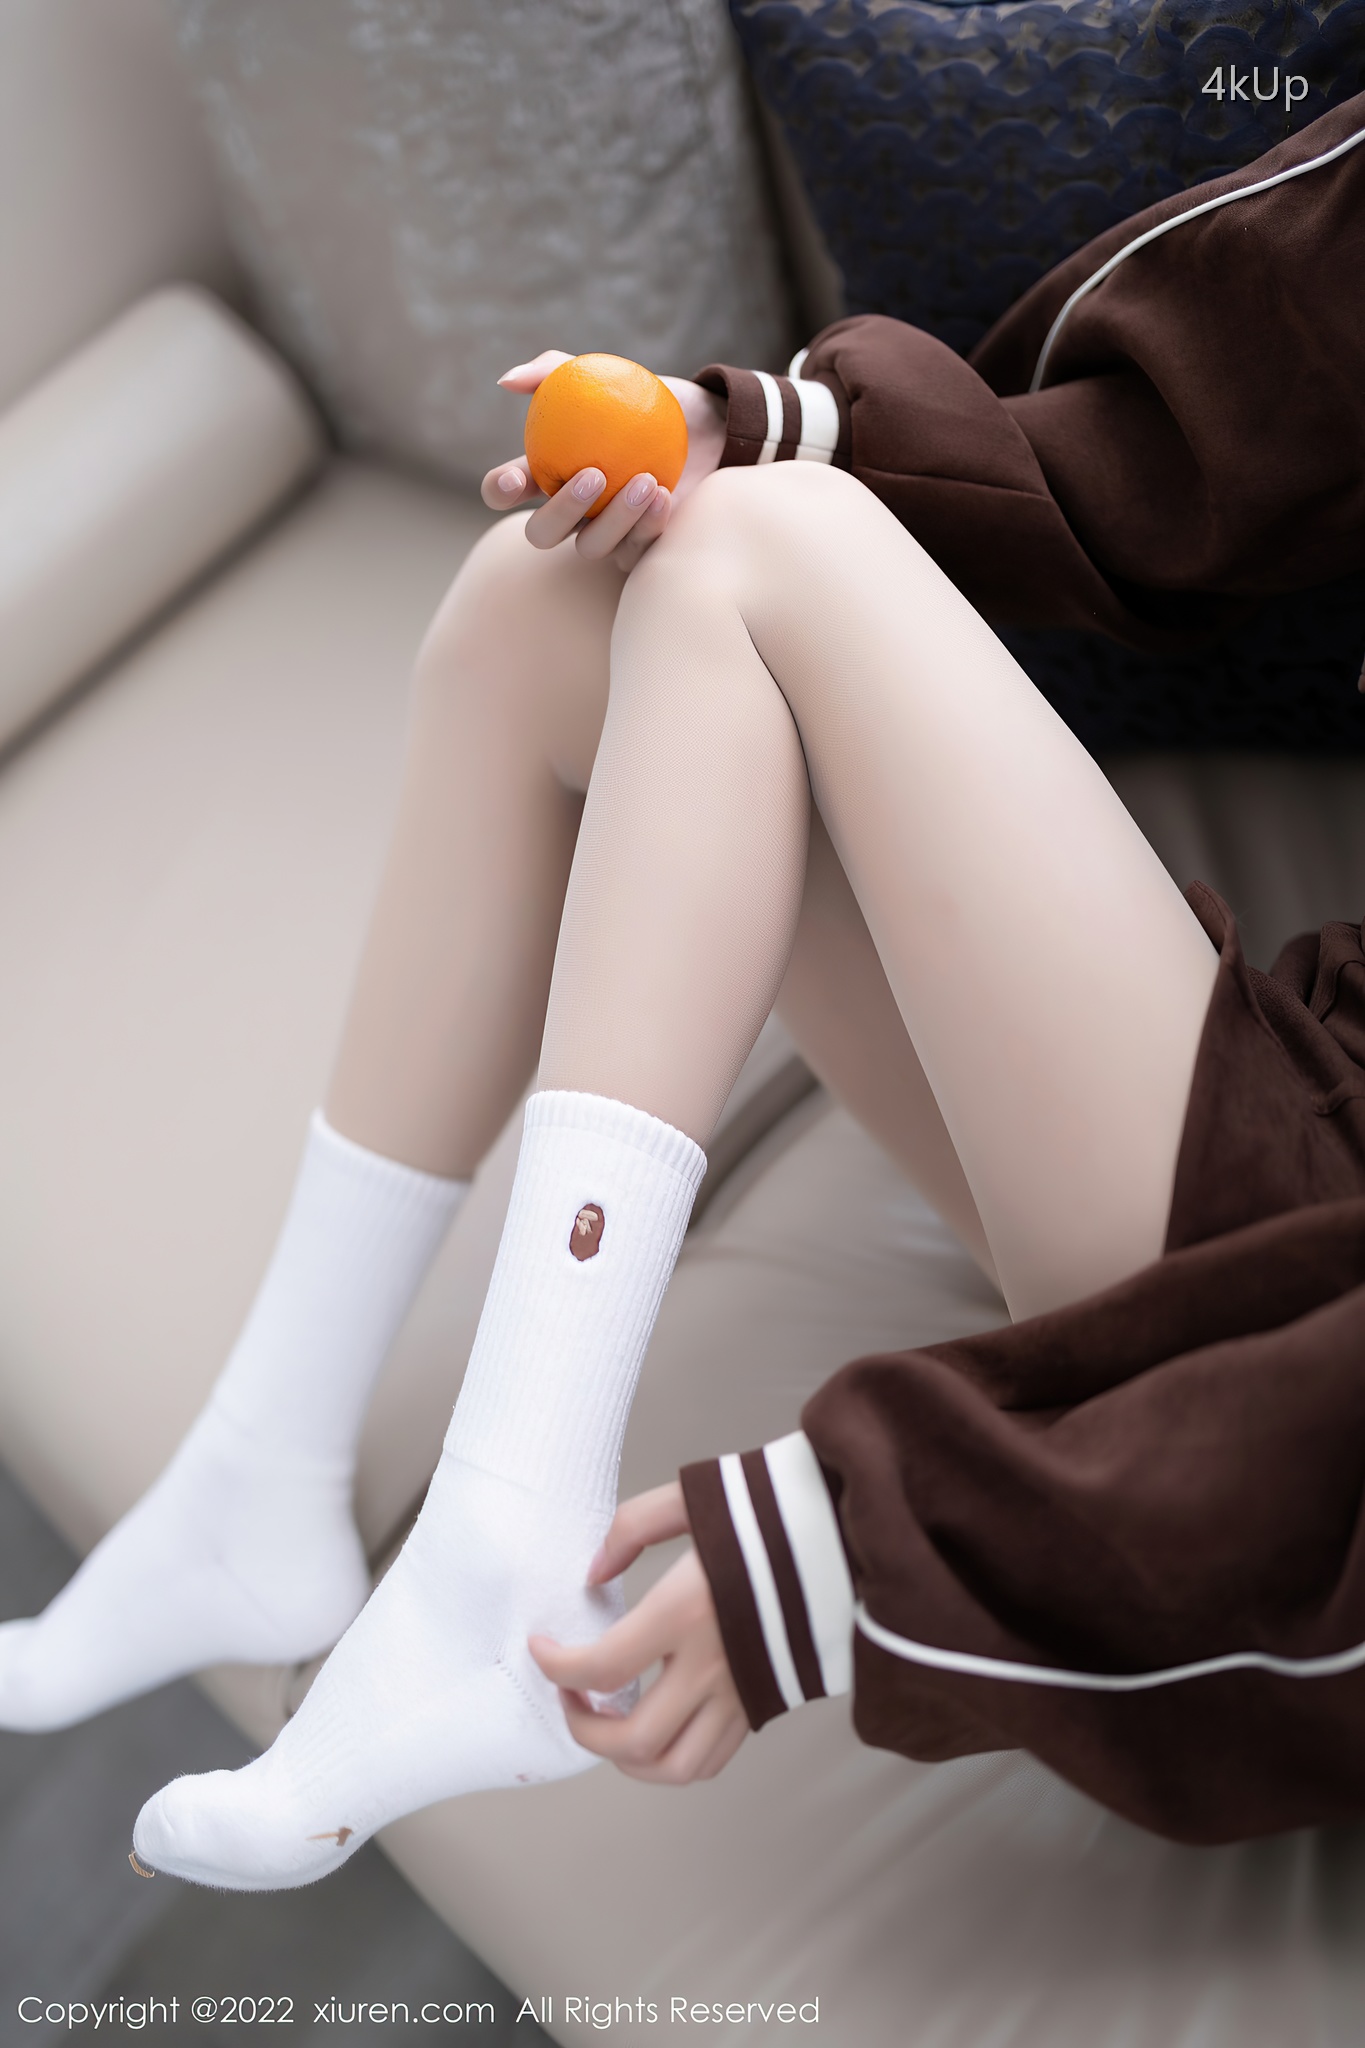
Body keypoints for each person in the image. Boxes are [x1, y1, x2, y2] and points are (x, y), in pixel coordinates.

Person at [3, 98, 1363, 1891]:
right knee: (554, 598)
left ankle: (503, 1549)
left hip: (1289, 1392)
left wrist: (857, 1542)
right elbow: (1225, 375)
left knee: (758, 552)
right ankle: (262, 1472)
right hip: (1295, 1111)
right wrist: (750, 424)